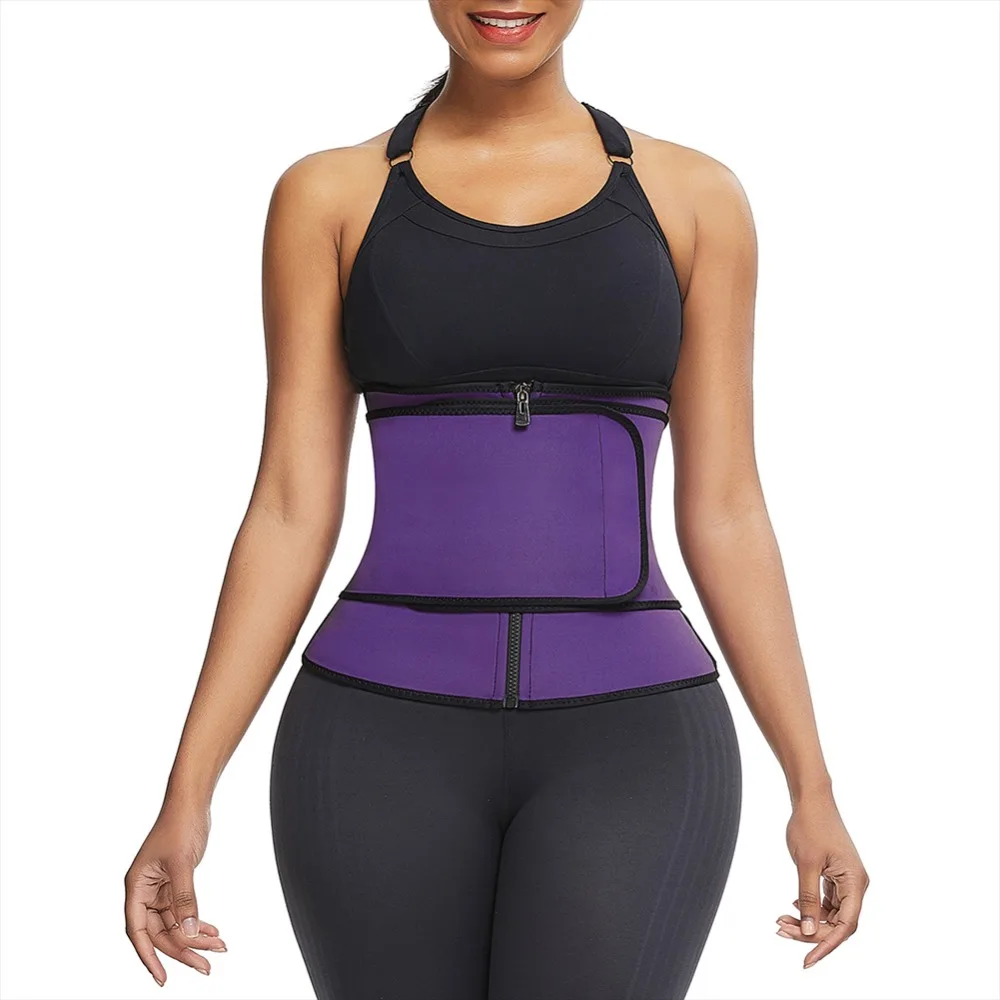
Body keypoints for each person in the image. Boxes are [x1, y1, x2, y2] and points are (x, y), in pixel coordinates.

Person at [123, 2, 870, 997]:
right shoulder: (329, 196)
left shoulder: (693, 199)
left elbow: (726, 506)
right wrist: (187, 793)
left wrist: (811, 784)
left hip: (634, 742)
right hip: (373, 736)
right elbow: (292, 506)